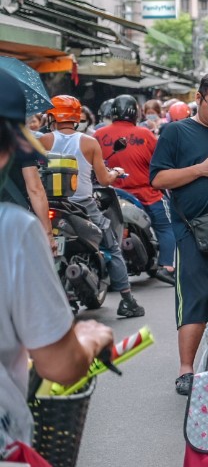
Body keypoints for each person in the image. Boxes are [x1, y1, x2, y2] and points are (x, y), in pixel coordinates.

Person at [0, 71, 114, 451]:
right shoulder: (12, 231)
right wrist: (88, 339)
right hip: (6, 437)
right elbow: (59, 366)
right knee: (110, 243)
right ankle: (126, 290)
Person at [150, 73, 208, 396]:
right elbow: (158, 178)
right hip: (192, 231)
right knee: (194, 299)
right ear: (199, 98)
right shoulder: (176, 132)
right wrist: (199, 170)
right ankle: (186, 368)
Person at [38, 95, 145, 319]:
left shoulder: (43, 141)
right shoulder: (89, 142)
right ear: (77, 117)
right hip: (84, 207)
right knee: (113, 248)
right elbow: (104, 180)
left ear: (53, 115)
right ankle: (127, 300)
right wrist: (115, 172)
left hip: (49, 205)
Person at [95, 95, 177, 286]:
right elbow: (160, 163)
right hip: (146, 194)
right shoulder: (146, 134)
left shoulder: (98, 135)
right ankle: (167, 266)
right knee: (166, 226)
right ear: (136, 113)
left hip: (109, 195)